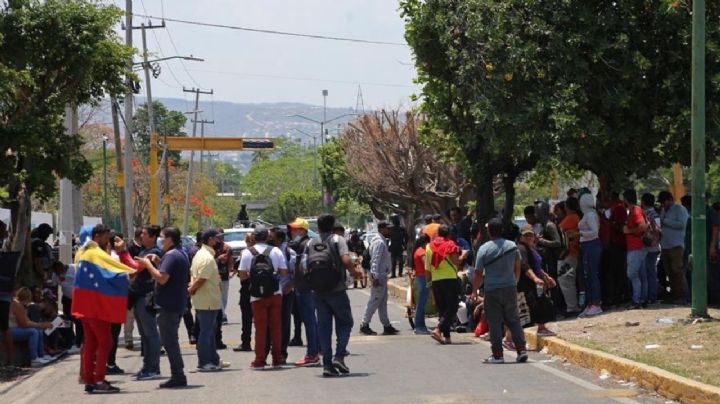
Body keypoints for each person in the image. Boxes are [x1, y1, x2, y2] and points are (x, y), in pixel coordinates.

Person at [72, 224, 134, 394]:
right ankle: (99, 379)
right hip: (97, 306)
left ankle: (89, 380)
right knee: (105, 342)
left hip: (84, 305)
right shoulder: (96, 253)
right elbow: (120, 272)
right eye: (106, 237)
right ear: (97, 236)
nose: (108, 241)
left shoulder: (82, 252)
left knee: (90, 343)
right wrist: (123, 253)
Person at [300, 214, 360, 377]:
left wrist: (312, 281)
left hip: (318, 292)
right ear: (333, 226)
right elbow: (346, 260)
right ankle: (339, 356)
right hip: (337, 289)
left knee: (324, 327)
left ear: (317, 227)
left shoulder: (311, 242)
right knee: (346, 322)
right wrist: (355, 273)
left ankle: (327, 364)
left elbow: (302, 266)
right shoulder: (337, 240)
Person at [472, 218, 528, 364]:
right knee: (514, 320)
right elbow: (517, 267)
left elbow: (478, 273)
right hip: (509, 288)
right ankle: (521, 350)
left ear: (489, 231)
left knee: (494, 322)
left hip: (492, 290)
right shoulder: (512, 246)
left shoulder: (484, 249)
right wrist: (514, 282)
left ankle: (498, 355)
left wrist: (474, 291)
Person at [238, 226, 288, 370]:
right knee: (276, 327)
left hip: (256, 295)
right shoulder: (276, 251)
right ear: (267, 237)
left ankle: (259, 360)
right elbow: (284, 273)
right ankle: (277, 358)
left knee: (260, 328)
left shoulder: (248, 252)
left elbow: (242, 275)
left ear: (254, 238)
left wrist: (254, 277)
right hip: (275, 293)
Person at [185, 228, 224, 373]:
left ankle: (213, 359)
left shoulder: (202, 254)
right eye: (216, 238)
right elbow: (201, 279)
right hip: (207, 299)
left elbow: (193, 276)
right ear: (209, 240)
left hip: (206, 299)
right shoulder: (206, 257)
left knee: (209, 331)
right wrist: (190, 291)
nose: (219, 241)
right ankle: (204, 362)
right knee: (206, 333)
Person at [130, 224, 163, 381]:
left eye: (144, 234)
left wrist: (122, 252)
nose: (140, 236)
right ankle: (147, 366)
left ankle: (154, 368)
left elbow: (135, 268)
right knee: (144, 334)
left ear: (153, 237)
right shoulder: (143, 252)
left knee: (151, 334)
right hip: (138, 296)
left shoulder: (154, 253)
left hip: (146, 297)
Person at [287, 218, 320, 367]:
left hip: (305, 287)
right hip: (312, 286)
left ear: (303, 231)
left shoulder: (302, 245)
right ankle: (317, 349)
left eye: (295, 229)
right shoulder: (311, 243)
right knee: (313, 321)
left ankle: (312, 354)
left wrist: (293, 283)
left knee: (309, 321)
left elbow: (302, 268)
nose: (292, 232)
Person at [359, 221, 399, 336]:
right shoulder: (379, 242)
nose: (390, 231)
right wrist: (375, 276)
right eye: (388, 229)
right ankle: (364, 324)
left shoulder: (382, 241)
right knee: (375, 300)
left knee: (382, 302)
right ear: (382, 229)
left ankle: (386, 325)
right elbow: (375, 260)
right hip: (378, 276)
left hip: (381, 275)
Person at [426, 225, 463, 344]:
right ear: (449, 234)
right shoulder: (451, 245)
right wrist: (463, 256)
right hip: (450, 279)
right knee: (453, 306)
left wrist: (429, 282)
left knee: (442, 308)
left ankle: (447, 337)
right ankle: (438, 329)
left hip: (436, 281)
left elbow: (427, 268)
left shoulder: (429, 247)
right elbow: (456, 261)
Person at [517, 225, 557, 336]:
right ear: (521, 237)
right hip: (527, 283)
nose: (529, 237)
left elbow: (537, 266)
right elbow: (525, 266)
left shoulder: (532, 248)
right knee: (533, 306)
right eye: (526, 235)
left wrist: (546, 277)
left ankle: (542, 328)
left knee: (542, 303)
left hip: (536, 282)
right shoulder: (521, 248)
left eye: (531, 234)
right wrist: (535, 278)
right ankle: (539, 329)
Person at [267, 227, 296, 364]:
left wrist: (289, 287)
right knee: (269, 324)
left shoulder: (289, 253)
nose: (269, 239)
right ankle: (269, 351)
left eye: (271, 236)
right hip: (270, 293)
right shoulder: (268, 251)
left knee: (284, 324)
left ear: (278, 239)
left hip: (285, 293)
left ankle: (282, 352)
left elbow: (296, 273)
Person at [9, 287, 53, 367]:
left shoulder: (21, 305)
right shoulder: (17, 304)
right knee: (33, 332)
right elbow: (24, 324)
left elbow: (27, 321)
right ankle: (34, 358)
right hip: (10, 331)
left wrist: (41, 325)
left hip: (15, 329)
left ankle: (41, 356)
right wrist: (41, 325)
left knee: (38, 330)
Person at [659, 191, 689, 304]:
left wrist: (665, 221)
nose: (662, 205)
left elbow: (682, 224)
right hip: (665, 245)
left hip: (676, 245)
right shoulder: (663, 210)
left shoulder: (680, 209)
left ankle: (683, 296)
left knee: (677, 271)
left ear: (669, 199)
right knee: (669, 271)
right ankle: (674, 294)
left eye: (664, 202)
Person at [623, 189, 649, 310]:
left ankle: (636, 300)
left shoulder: (635, 211)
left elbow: (642, 225)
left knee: (632, 274)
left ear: (626, 199)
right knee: (641, 274)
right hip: (638, 247)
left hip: (636, 247)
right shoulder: (636, 210)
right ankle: (643, 299)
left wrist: (629, 231)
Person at [578, 193, 603, 317]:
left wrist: (580, 234)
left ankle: (596, 303)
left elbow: (595, 232)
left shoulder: (590, 215)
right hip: (587, 246)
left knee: (592, 275)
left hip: (592, 245)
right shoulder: (587, 214)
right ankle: (590, 303)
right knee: (587, 276)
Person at [558, 197, 582, 316]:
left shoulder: (571, 219)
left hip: (569, 254)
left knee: (565, 280)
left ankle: (572, 307)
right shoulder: (576, 218)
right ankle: (572, 306)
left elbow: (564, 236)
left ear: (567, 207)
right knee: (568, 280)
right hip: (571, 253)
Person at [232, 233, 255, 353]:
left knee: (246, 318)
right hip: (262, 289)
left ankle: (246, 342)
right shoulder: (266, 252)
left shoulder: (245, 254)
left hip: (247, 288)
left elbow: (239, 272)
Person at [607, 191, 629, 305]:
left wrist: (609, 223)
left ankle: (620, 295)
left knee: (618, 271)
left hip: (618, 244)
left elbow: (620, 225)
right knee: (615, 271)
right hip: (614, 243)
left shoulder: (619, 208)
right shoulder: (615, 209)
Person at [123, 229, 142, 350]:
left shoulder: (145, 248)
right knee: (129, 315)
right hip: (130, 284)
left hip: (141, 286)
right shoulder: (129, 248)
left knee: (141, 315)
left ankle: (143, 337)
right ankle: (128, 339)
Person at [641, 193, 662, 305]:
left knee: (648, 272)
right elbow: (659, 229)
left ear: (643, 203)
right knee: (652, 271)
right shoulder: (655, 214)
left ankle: (650, 295)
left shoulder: (645, 215)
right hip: (655, 247)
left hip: (647, 247)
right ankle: (652, 296)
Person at [412, 234, 431, 334]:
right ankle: (419, 326)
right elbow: (426, 265)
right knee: (421, 304)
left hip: (420, 277)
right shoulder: (422, 252)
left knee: (421, 303)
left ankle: (421, 325)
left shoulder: (418, 250)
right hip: (423, 278)